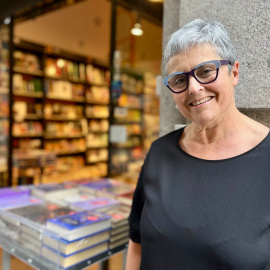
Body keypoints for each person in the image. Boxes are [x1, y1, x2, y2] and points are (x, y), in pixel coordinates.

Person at [125, 19, 270, 270]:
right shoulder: (159, 152)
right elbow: (136, 241)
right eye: (179, 80)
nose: (193, 88)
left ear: (234, 72)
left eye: (205, 71)